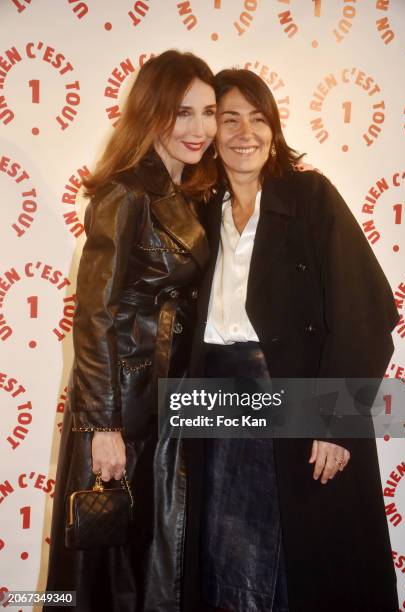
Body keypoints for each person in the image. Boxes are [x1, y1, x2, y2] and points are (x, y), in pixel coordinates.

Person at [189, 69, 400, 612]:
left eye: (258, 119)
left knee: (301, 575)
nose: (244, 133)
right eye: (229, 118)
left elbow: (368, 309)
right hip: (213, 417)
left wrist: (333, 421)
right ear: (211, 132)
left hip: (300, 412)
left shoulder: (310, 197)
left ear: (275, 130)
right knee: (220, 566)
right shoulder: (194, 215)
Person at [45, 50, 218, 612]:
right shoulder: (125, 192)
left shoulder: (191, 191)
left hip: (168, 405)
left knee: (153, 564)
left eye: (209, 112)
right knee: (113, 568)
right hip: (125, 412)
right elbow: (93, 313)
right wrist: (102, 425)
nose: (200, 129)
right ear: (152, 114)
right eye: (183, 112)